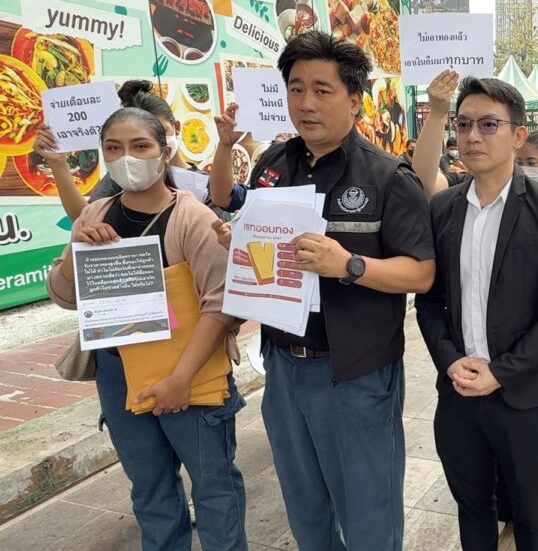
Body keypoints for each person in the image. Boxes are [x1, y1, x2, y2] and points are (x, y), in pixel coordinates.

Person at [208, 31, 436, 550]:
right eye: (296, 88)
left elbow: (421, 273)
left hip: (355, 373)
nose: (306, 103)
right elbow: (240, 214)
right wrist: (241, 242)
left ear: (354, 100)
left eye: (322, 90)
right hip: (284, 365)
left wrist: (348, 265)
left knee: (368, 511)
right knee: (305, 505)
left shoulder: (388, 176)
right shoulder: (274, 164)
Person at [43, 106, 247, 551]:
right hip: (118, 374)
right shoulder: (94, 214)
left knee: (214, 485)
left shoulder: (192, 218)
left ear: (164, 151)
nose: (127, 158)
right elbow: (64, 296)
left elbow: (221, 306)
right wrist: (77, 252)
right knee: (150, 488)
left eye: (140, 146)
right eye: (114, 148)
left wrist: (181, 379)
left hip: (190, 372)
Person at [415, 76, 538, 551]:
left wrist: (500, 373)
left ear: (517, 135)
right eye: (463, 124)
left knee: (530, 514)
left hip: (521, 395)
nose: (473, 136)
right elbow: (429, 301)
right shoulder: (444, 207)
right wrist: (451, 361)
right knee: (472, 510)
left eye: (489, 124)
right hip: (458, 390)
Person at [38, 79, 230, 222]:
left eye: (160, 132)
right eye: (115, 147)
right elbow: (85, 218)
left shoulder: (206, 186)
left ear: (176, 128)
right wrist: (58, 164)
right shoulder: (123, 176)